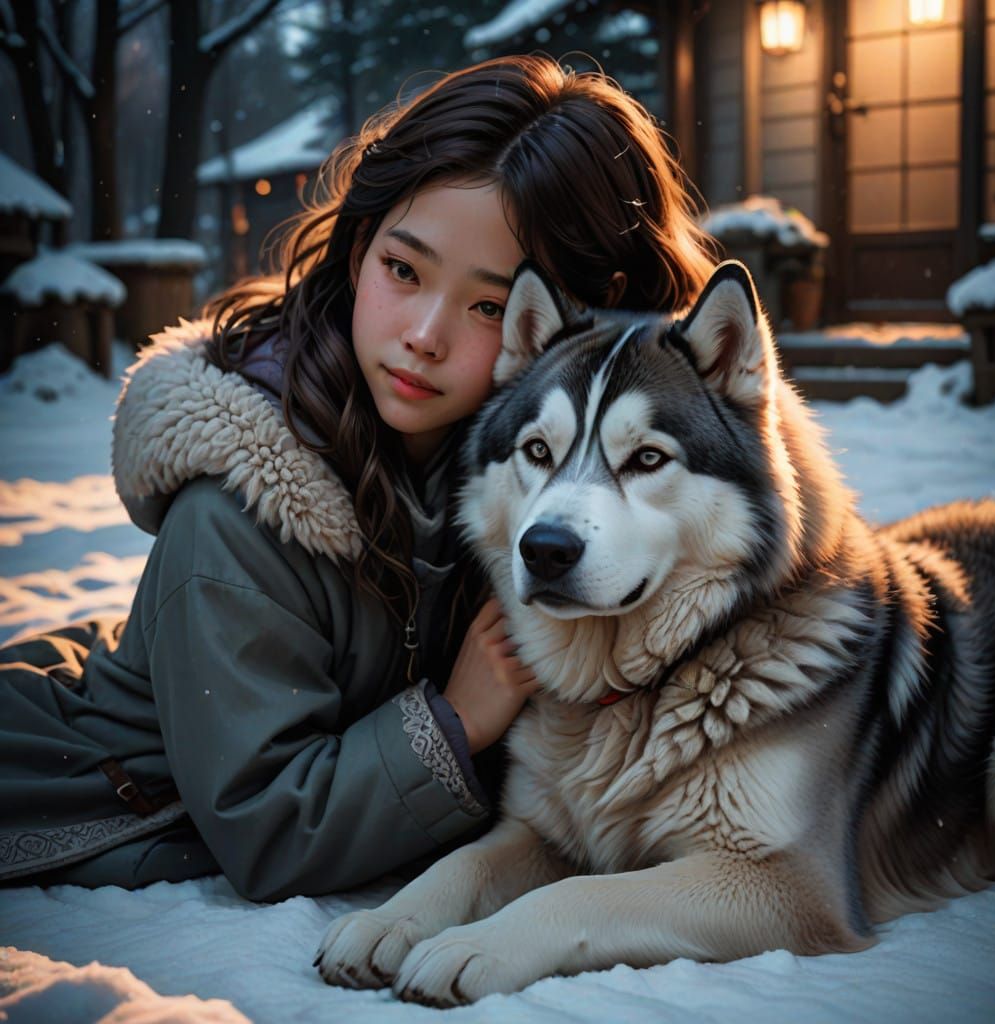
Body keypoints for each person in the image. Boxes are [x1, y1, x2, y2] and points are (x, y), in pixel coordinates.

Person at [0, 55, 717, 901]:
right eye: (403, 270)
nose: (423, 334)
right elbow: (267, 824)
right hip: (97, 791)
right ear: (357, 247)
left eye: (490, 306)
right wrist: (454, 722)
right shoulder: (235, 513)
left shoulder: (519, 473)